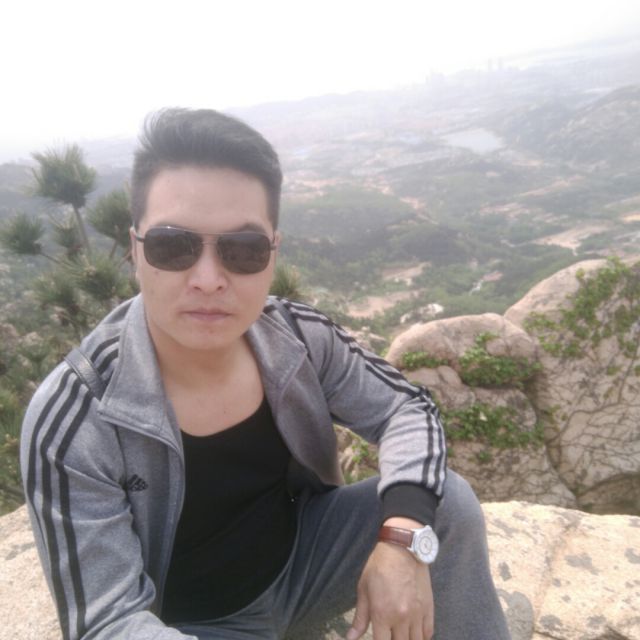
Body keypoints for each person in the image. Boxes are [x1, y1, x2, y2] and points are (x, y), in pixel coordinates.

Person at [20, 108, 510, 640]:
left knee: (446, 504)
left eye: (243, 250)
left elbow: (406, 407)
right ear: (135, 250)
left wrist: (401, 540)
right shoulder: (78, 415)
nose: (208, 279)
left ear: (273, 252)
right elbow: (108, 621)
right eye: (173, 246)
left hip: (307, 561)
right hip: (195, 624)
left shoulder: (296, 336)